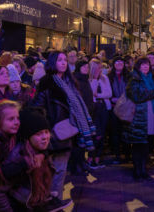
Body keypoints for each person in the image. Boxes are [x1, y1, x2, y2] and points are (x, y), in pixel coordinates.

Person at [33, 51, 96, 199]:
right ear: (52, 62)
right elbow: (38, 107)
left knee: (60, 170)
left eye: (65, 60)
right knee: (49, 170)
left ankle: (57, 200)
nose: (63, 63)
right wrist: (48, 128)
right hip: (53, 131)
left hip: (68, 131)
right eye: (59, 60)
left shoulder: (70, 81)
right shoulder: (47, 82)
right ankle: (49, 200)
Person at [123, 56, 154, 180]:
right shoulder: (134, 78)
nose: (145, 67)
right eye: (143, 65)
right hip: (139, 116)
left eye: (147, 65)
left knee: (146, 144)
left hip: (151, 115)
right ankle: (137, 170)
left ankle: (143, 169)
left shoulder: (152, 78)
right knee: (137, 144)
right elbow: (135, 95)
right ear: (138, 66)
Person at [88, 60, 112, 169]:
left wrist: (98, 95)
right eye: (98, 68)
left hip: (104, 108)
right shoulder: (89, 79)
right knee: (95, 134)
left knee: (101, 133)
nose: (100, 70)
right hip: (94, 110)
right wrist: (95, 81)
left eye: (101, 68)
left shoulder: (104, 78)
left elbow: (109, 93)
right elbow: (90, 94)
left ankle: (97, 158)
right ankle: (91, 157)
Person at [108, 56, 131, 163]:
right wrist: (112, 98)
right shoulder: (109, 76)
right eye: (117, 61)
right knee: (115, 132)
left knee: (126, 131)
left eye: (121, 62)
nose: (119, 63)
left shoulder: (128, 76)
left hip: (126, 108)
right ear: (113, 64)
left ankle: (127, 154)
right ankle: (117, 154)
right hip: (113, 108)